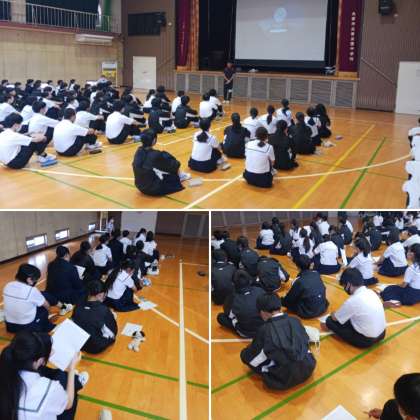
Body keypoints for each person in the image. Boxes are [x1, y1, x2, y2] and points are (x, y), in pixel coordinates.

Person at [0, 331, 88, 420]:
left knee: (55, 374)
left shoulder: (6, 368)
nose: (52, 352)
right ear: (39, 360)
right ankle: (77, 381)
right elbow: (68, 404)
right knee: (66, 382)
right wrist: (71, 369)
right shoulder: (47, 388)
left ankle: (77, 381)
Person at [240, 292, 316, 390]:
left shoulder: (264, 330)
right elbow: (308, 342)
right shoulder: (295, 320)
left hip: (282, 380)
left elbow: (254, 361)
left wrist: (245, 353)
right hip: (309, 368)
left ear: (262, 312)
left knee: (247, 356)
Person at [322, 268, 386, 348]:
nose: (344, 288)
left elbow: (335, 318)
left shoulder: (353, 301)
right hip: (382, 334)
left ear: (349, 284)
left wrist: (333, 313)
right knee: (350, 317)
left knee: (329, 321)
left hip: (366, 340)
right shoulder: (371, 292)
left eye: (344, 285)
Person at [3, 264, 59, 333]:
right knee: (43, 308)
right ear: (29, 279)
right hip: (26, 327)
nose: (36, 281)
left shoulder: (8, 285)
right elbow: (46, 305)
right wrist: (49, 312)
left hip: (10, 326)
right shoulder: (31, 290)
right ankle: (48, 328)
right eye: (35, 279)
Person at [132, 130, 190, 196]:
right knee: (171, 165)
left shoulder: (138, 151)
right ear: (154, 140)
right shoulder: (155, 155)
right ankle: (180, 176)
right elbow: (174, 165)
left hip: (139, 186)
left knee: (158, 165)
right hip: (153, 189)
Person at [72, 280, 118, 354]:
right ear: (100, 295)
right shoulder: (103, 310)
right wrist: (112, 317)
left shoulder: (77, 306)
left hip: (81, 343)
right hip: (96, 347)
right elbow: (112, 332)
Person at [216, 270, 265, 338]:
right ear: (249, 280)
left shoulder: (232, 297)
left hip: (246, 332)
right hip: (264, 328)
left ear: (233, 284)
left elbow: (228, 314)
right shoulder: (260, 290)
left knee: (221, 317)